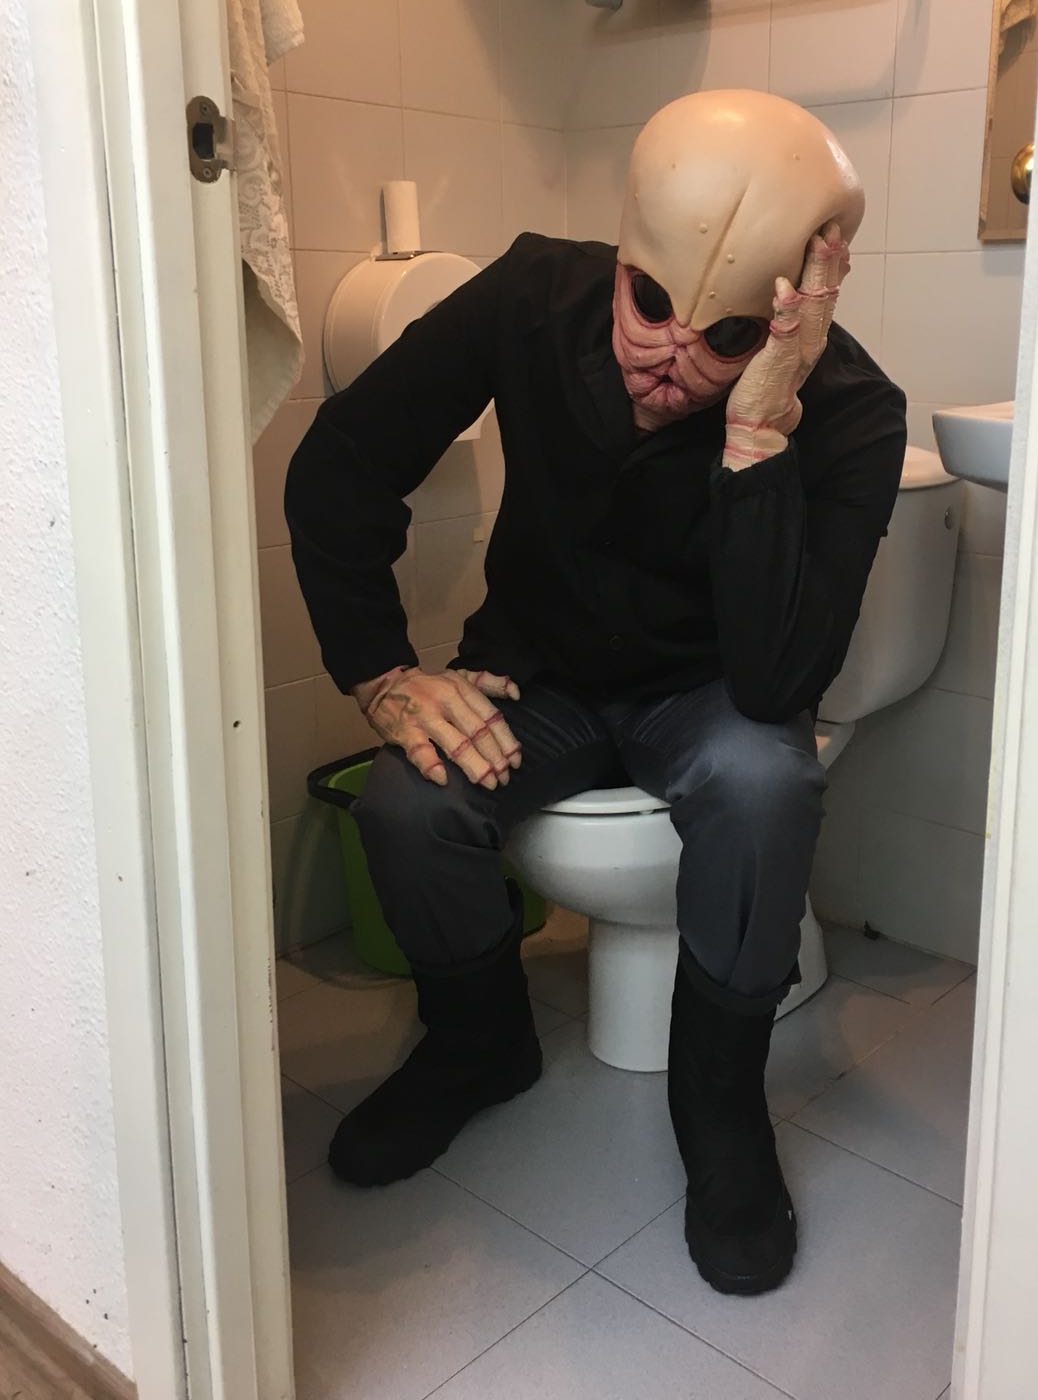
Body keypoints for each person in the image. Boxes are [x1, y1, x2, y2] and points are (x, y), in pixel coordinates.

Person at [285, 88, 907, 1297]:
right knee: (406, 806)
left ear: (793, 317)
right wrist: (380, 670)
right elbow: (342, 463)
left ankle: (720, 1107)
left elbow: (784, 679)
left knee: (766, 785)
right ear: (622, 258)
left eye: (728, 335)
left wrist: (758, 431)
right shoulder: (535, 294)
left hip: (711, 688)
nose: (672, 354)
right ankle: (479, 1046)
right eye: (651, 303)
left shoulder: (851, 411)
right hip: (541, 667)